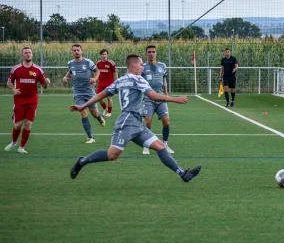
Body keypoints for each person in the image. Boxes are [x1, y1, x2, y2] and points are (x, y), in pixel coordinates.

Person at [68, 54, 201, 183]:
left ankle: (182, 173)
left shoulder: (119, 80)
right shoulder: (138, 79)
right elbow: (153, 96)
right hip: (127, 121)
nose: (142, 67)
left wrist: (83, 106)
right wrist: (174, 99)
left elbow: (100, 95)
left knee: (160, 147)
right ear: (133, 65)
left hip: (137, 123)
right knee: (112, 155)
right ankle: (82, 161)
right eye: (141, 64)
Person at [5, 46, 51, 153]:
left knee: (28, 123)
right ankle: (14, 142)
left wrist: (47, 83)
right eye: (25, 52)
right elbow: (9, 83)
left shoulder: (38, 69)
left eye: (29, 52)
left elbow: (44, 86)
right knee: (17, 124)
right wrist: (14, 89)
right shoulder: (16, 69)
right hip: (19, 99)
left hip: (32, 98)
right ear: (22, 55)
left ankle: (21, 147)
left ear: (32, 54)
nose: (28, 54)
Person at [63, 44, 105, 143]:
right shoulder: (71, 63)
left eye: (78, 50)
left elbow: (97, 71)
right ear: (72, 52)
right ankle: (91, 137)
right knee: (82, 111)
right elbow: (70, 72)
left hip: (89, 91)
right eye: (74, 50)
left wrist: (94, 79)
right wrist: (66, 77)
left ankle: (99, 117)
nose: (76, 52)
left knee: (94, 113)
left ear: (81, 51)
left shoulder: (88, 62)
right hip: (78, 92)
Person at [142, 45, 173, 155]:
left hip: (161, 98)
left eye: (153, 52)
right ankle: (146, 145)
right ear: (146, 53)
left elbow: (164, 81)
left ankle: (165, 144)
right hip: (148, 98)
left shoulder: (162, 66)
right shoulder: (142, 67)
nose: (151, 53)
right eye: (149, 52)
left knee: (166, 122)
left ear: (156, 53)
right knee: (148, 121)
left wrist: (167, 95)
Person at [96, 49, 118, 117]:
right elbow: (96, 72)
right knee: (98, 98)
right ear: (100, 55)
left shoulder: (111, 63)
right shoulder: (98, 63)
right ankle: (105, 109)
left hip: (109, 84)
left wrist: (116, 82)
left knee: (109, 98)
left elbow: (115, 72)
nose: (104, 56)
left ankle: (109, 112)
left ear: (107, 55)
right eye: (103, 54)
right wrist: (95, 80)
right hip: (101, 84)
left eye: (105, 54)